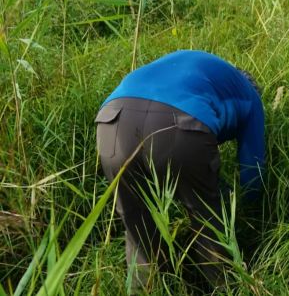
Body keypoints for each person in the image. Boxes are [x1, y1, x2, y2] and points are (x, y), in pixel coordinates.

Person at [95, 50, 265, 291]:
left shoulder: (198, 68)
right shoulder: (250, 96)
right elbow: (253, 169)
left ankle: (151, 288)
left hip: (111, 121)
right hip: (178, 123)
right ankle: (224, 287)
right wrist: (252, 216)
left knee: (138, 230)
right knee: (211, 222)